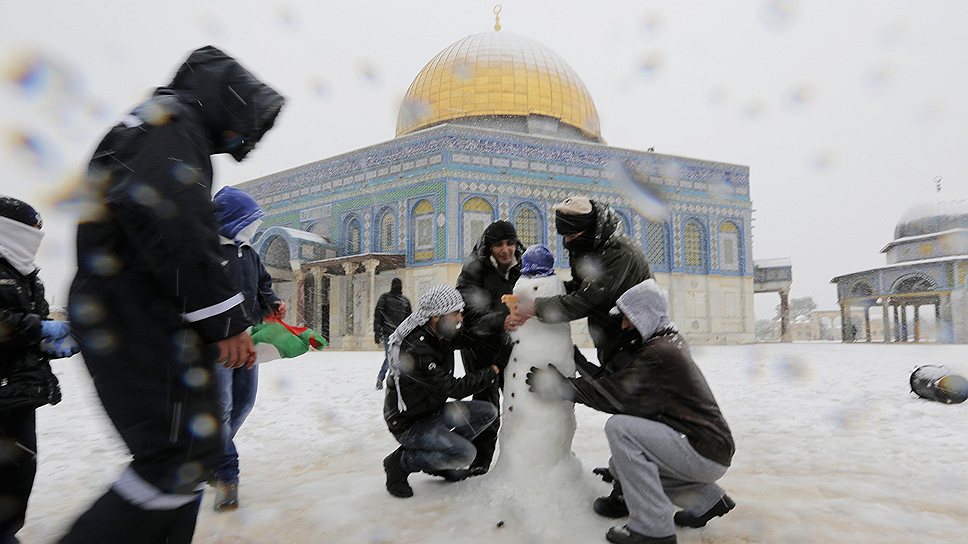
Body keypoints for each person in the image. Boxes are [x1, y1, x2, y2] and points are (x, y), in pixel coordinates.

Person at [61, 46, 284, 543]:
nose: (239, 139)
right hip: (131, 309)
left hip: (144, 308)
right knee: (175, 457)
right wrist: (227, 321)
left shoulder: (169, 125)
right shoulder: (169, 126)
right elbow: (176, 218)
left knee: (190, 455)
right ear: (225, 100)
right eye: (242, 124)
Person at [526, 279, 735, 544]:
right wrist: (578, 363)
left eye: (628, 318)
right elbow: (619, 385)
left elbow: (613, 395)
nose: (623, 325)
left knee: (620, 429)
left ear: (645, 315)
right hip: (708, 450)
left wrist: (561, 386)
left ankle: (652, 528)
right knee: (625, 466)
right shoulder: (668, 342)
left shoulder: (659, 352)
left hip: (702, 451)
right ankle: (707, 500)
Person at [0, 197, 78, 544]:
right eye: (32, 231)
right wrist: (39, 331)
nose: (38, 237)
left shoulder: (27, 274)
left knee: (19, 473)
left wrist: (53, 339)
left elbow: (35, 324)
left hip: (19, 391)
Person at [382, 284, 506, 498]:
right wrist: (493, 370)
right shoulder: (417, 350)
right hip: (408, 423)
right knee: (466, 454)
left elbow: (470, 338)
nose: (460, 318)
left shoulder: (438, 333)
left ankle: (438, 458)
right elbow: (454, 388)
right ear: (436, 316)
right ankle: (401, 463)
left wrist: (503, 325)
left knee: (488, 413)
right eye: (456, 313)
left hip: (430, 412)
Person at [508, 196, 651, 376]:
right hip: (610, 336)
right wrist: (540, 290)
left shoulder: (619, 253)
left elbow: (587, 299)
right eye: (565, 236)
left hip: (635, 337)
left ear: (590, 229)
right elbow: (579, 287)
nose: (568, 242)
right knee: (613, 390)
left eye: (573, 236)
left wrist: (534, 308)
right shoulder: (586, 248)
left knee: (623, 393)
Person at [210, 186, 286, 512]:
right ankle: (227, 476)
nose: (252, 227)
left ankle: (211, 454)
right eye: (248, 220)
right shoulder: (206, 254)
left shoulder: (249, 253)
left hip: (249, 340)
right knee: (221, 408)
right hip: (218, 344)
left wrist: (273, 304)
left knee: (243, 403)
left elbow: (262, 284)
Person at [454, 219, 522, 474]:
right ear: (488, 247)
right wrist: (499, 318)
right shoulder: (474, 267)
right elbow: (468, 308)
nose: (506, 250)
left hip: (510, 344)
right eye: (499, 245)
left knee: (518, 398)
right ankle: (480, 459)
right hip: (479, 344)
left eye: (510, 243)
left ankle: (521, 455)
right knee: (487, 403)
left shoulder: (522, 264)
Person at [373, 277, 411, 390]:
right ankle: (383, 378)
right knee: (391, 357)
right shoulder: (387, 299)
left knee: (395, 357)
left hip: (399, 334)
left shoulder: (402, 301)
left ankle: (390, 379)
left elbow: (409, 320)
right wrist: (377, 331)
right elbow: (378, 316)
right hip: (390, 334)